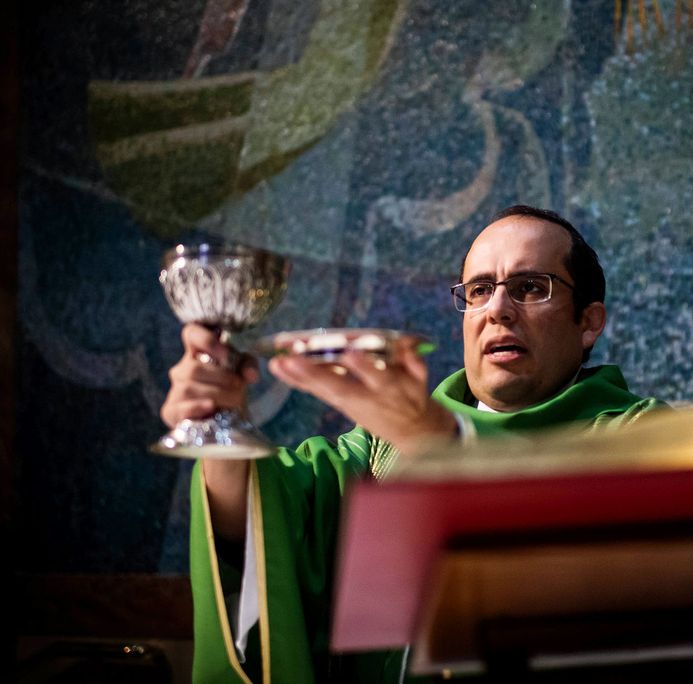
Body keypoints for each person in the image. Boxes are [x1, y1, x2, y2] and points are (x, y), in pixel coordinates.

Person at [161, 205, 664, 683]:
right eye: (480, 290)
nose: (498, 310)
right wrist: (221, 426)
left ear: (589, 322)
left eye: (530, 287)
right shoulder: (380, 453)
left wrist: (442, 450)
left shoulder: (640, 442)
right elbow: (258, 531)